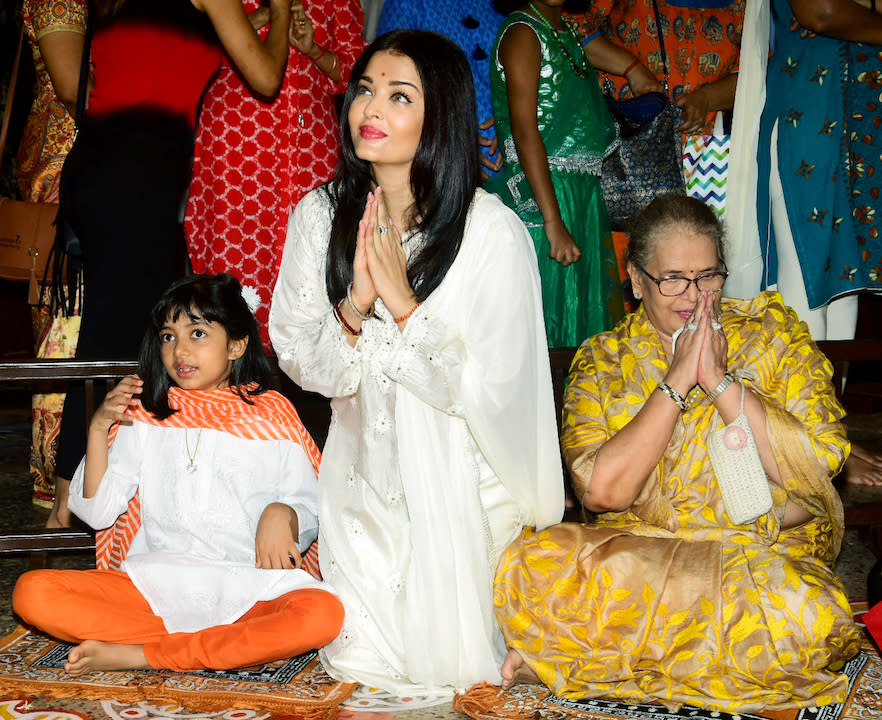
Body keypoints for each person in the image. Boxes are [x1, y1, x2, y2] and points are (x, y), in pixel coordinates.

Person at [269, 30, 564, 694]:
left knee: (462, 673)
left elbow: (494, 392)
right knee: (359, 668)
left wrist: (405, 308)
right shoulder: (319, 217)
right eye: (366, 89)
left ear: (442, 117)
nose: (371, 108)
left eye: (399, 95)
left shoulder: (491, 233)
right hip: (361, 493)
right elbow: (306, 364)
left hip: (470, 494)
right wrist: (353, 308)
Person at [494, 195, 861, 712]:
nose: (693, 295)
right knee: (533, 565)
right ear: (637, 279)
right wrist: (674, 382)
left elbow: (818, 467)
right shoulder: (603, 358)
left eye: (708, 276)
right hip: (639, 558)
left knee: (809, 615)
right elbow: (601, 491)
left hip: (758, 556)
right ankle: (687, 661)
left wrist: (719, 382)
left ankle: (588, 661)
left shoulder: (775, 336)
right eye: (673, 279)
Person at [13, 273, 343, 675]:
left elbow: (312, 507)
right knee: (33, 594)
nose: (180, 351)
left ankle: (141, 653)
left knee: (322, 613)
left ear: (237, 345)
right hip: (155, 586)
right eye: (168, 337)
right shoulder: (145, 415)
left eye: (198, 333)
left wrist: (284, 513)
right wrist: (99, 429)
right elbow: (98, 514)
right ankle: (211, 647)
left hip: (247, 586)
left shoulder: (272, 415)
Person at [51, 0, 292, 529]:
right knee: (128, 336)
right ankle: (70, 505)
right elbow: (267, 74)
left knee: (112, 329)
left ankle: (75, 497)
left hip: (102, 171)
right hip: (141, 182)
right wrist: (282, 9)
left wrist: (248, 25)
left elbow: (181, 50)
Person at [185, 0, 365, 350]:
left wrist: (313, 50)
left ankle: (305, 382)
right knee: (234, 261)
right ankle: (226, 378)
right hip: (239, 146)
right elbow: (195, 56)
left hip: (313, 145)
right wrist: (267, 16)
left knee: (312, 260)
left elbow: (354, 72)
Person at [488, 0, 651, 347]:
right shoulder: (523, 33)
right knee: (548, 321)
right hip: (546, 192)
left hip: (578, 194)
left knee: (579, 317)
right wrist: (552, 220)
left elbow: (591, 50)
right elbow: (525, 132)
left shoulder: (562, 30)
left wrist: (635, 68)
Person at [13, 0, 86, 520]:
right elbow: (70, 84)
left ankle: (79, 485)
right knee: (65, 334)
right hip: (65, 178)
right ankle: (58, 492)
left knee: (76, 333)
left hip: (79, 173)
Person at [376, 0, 506, 180]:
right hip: (441, 156)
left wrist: (513, 121)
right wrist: (452, 141)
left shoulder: (509, 5)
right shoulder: (407, 4)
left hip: (516, 148)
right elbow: (390, 84)